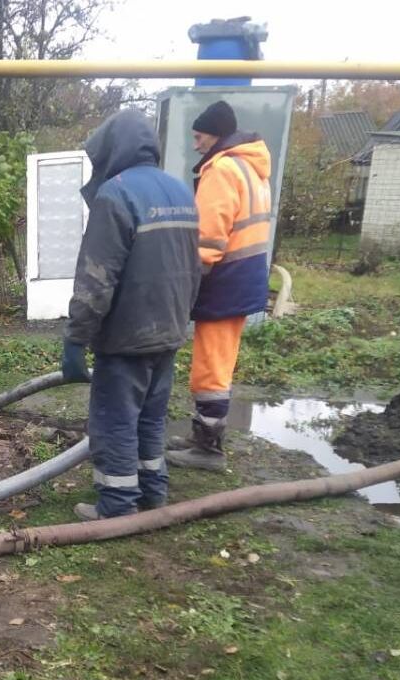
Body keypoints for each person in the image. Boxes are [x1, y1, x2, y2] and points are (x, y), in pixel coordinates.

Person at [61, 110, 200, 520]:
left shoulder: (116, 195)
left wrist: (76, 338)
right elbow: (195, 267)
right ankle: (153, 492)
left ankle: (117, 505)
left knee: (115, 421)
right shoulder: (179, 191)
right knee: (151, 419)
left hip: (127, 334)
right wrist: (181, 317)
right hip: (169, 329)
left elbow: (96, 278)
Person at [166, 100, 273, 472]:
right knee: (219, 362)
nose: (196, 144)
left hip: (226, 280)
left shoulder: (222, 170)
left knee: (211, 367)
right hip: (243, 277)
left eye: (199, 137)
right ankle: (203, 436)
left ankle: (208, 449)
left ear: (215, 136)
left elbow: (208, 238)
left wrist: (186, 282)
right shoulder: (252, 167)